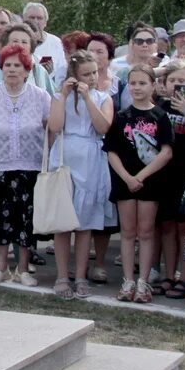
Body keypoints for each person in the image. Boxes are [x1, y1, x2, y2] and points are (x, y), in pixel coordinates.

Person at [0, 45, 52, 286]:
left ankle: (23, 269)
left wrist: (48, 162)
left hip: (31, 166)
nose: (12, 69)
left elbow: (51, 130)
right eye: (8, 65)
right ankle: (1, 267)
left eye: (18, 65)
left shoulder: (40, 96)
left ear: (27, 70)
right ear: (1, 68)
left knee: (25, 218)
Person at [45, 50, 113, 299]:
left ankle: (82, 275)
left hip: (91, 159)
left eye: (94, 72)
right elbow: (54, 126)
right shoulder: (59, 96)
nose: (92, 78)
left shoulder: (103, 98)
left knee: (85, 224)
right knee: (63, 222)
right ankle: (62, 275)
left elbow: (103, 127)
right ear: (74, 75)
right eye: (86, 74)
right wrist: (64, 95)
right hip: (65, 157)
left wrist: (87, 99)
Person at [103, 65, 174, 304]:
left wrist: (141, 177)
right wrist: (127, 177)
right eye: (133, 83)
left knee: (145, 232)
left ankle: (143, 281)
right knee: (128, 232)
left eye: (142, 83)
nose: (137, 88)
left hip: (150, 182)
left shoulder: (160, 116)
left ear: (153, 85)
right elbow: (111, 152)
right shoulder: (121, 116)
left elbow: (165, 152)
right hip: (125, 182)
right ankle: (128, 280)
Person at [156, 60, 185, 301]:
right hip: (163, 173)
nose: (177, 85)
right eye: (172, 80)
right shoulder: (159, 106)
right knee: (166, 226)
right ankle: (168, 274)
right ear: (165, 83)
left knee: (184, 227)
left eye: (182, 81)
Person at [0, 22, 57, 95]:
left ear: (31, 47)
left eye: (24, 42)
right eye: (15, 41)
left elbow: (54, 98)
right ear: (5, 45)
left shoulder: (39, 71)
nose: (20, 45)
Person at [23, 2, 66, 85]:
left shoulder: (56, 42)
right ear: (24, 20)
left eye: (39, 18)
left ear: (45, 22)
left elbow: (62, 70)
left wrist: (49, 72)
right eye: (31, 17)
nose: (35, 21)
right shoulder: (17, 40)